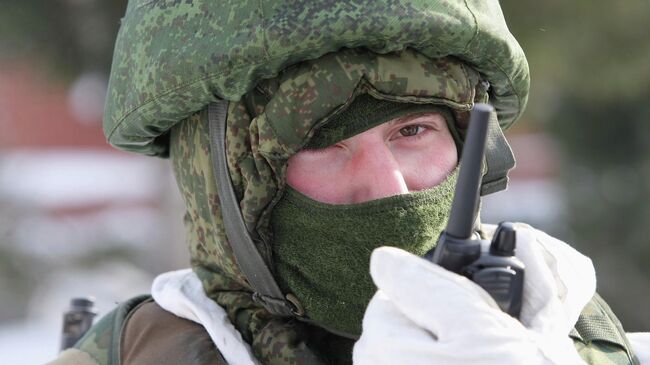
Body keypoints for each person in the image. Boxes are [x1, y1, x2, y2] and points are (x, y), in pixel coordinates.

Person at [48, 1, 649, 364]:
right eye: (322, 144)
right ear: (221, 185)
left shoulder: (569, 326)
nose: (387, 187)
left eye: (412, 131)